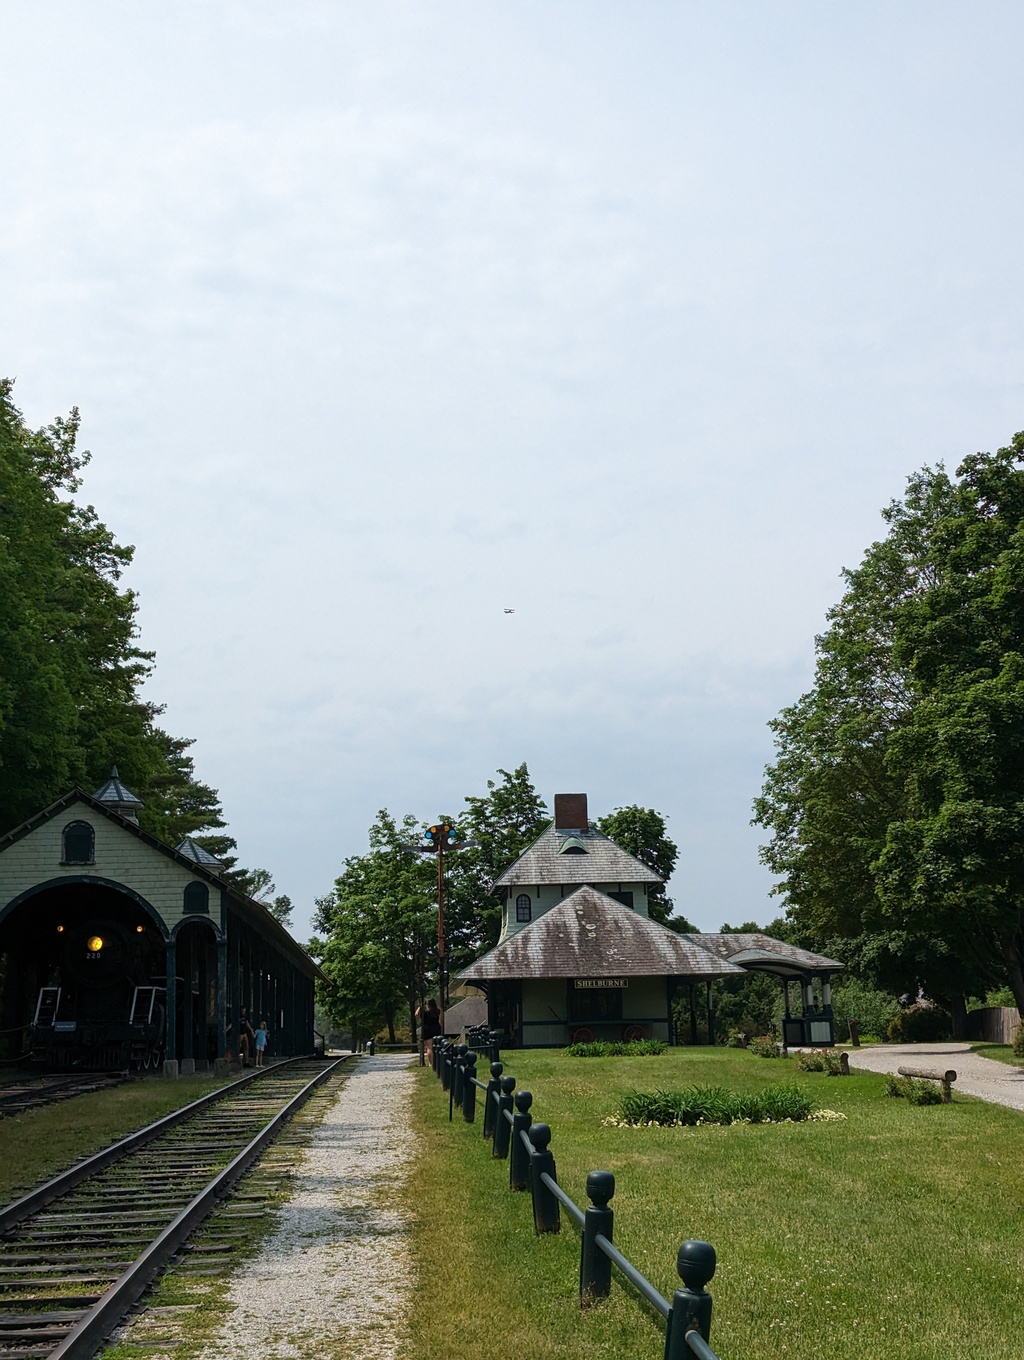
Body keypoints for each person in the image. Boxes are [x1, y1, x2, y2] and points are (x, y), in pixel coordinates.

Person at [417, 998, 443, 1063]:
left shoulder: (425, 1013)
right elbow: (441, 1020)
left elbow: (416, 1014)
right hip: (436, 1029)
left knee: (429, 1048)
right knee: (436, 1047)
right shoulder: (438, 1011)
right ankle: (437, 1062)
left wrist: (420, 1006)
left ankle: (431, 1063)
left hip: (427, 1030)